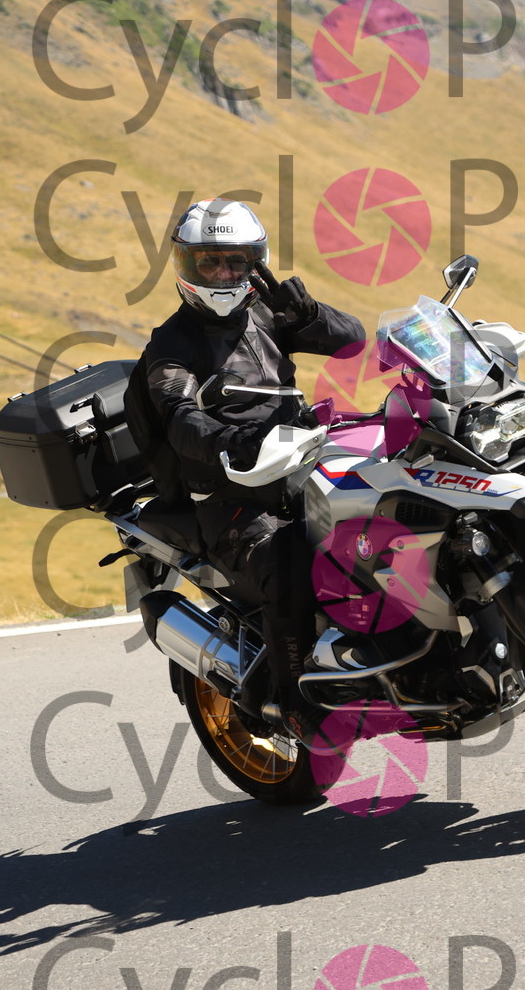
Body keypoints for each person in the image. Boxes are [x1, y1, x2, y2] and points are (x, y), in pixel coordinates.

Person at [126, 198, 364, 746]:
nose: (223, 274)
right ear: (186, 265)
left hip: (300, 469)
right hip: (228, 498)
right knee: (290, 560)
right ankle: (295, 701)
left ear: (256, 262)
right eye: (209, 262)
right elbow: (179, 418)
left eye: (236, 261)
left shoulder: (267, 314)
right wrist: (236, 442)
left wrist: (309, 314)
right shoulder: (173, 343)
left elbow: (352, 342)